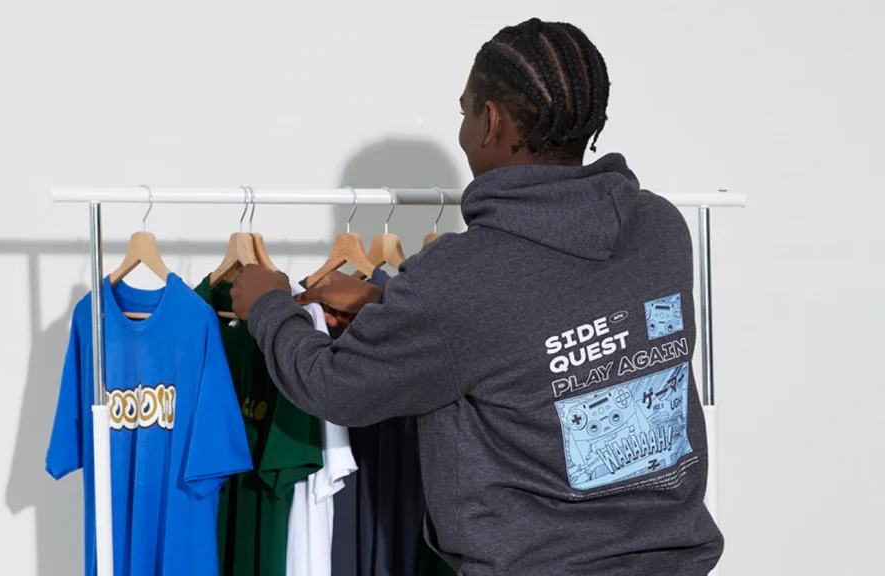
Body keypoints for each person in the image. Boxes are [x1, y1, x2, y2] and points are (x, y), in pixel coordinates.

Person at [231, 17, 724, 575]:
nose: (463, 130)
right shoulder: (659, 227)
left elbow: (333, 387)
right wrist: (383, 306)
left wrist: (268, 305)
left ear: (492, 122)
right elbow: (531, 329)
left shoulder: (460, 277)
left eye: (464, 110)